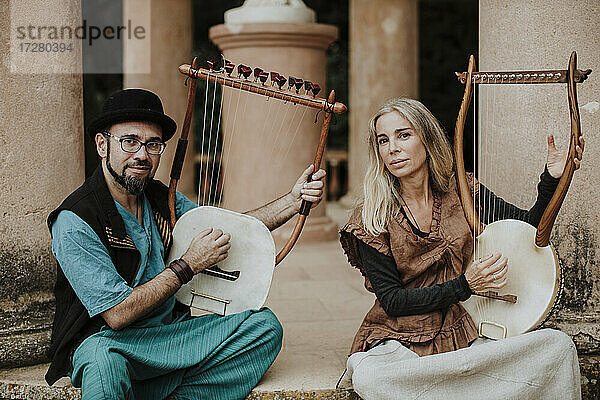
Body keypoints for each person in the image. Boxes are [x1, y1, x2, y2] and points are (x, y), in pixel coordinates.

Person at [45, 88, 327, 400]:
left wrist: (292, 201)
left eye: (153, 145)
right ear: (102, 144)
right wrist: (188, 265)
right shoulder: (76, 219)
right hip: (109, 340)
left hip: (169, 336)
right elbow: (117, 314)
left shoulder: (159, 197)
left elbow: (230, 230)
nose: (142, 155)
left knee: (264, 327)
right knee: (103, 362)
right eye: (129, 141)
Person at [338, 98, 584, 399]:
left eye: (404, 135)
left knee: (556, 347)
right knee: (371, 377)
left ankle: (451, 384)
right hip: (399, 340)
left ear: (427, 139)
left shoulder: (463, 191)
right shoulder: (371, 215)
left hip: (463, 331)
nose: (393, 148)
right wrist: (466, 285)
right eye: (383, 140)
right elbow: (393, 301)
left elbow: (527, 230)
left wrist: (553, 179)